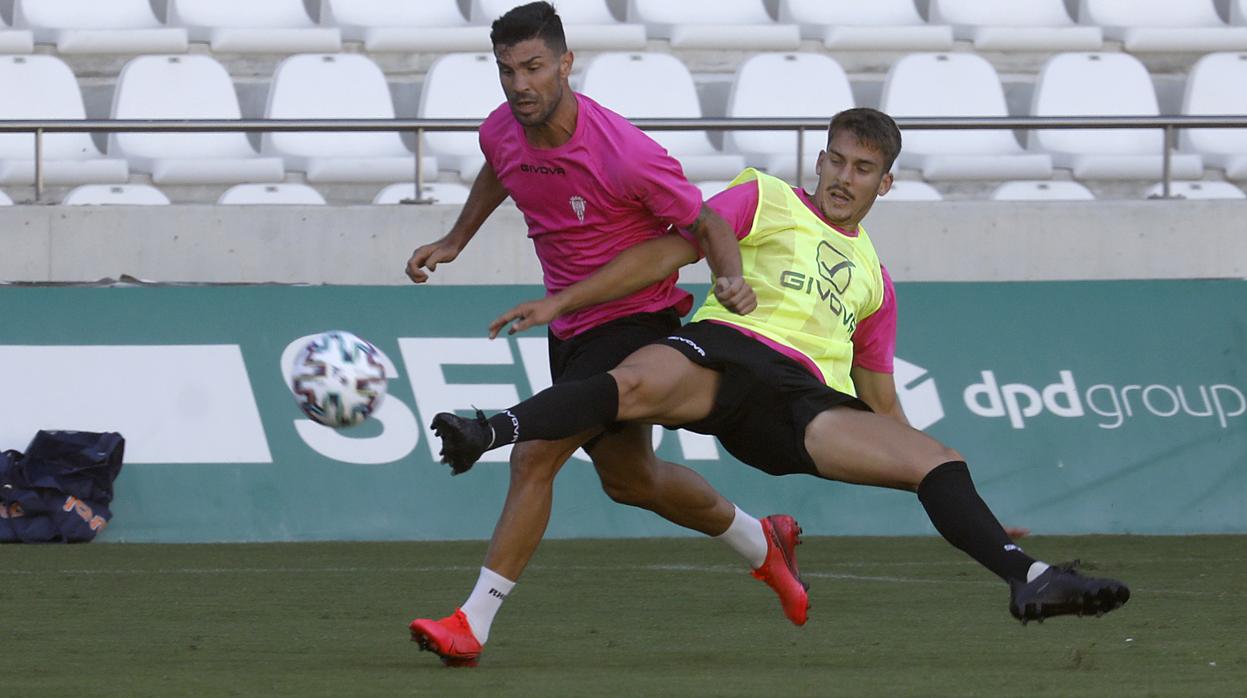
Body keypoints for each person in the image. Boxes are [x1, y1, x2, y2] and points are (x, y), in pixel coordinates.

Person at [432, 108, 1131, 645]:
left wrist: (964, 506)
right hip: (723, 355)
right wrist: (564, 302)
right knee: (637, 381)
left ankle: (1028, 577)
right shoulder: (763, 197)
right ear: (817, 158)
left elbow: (880, 399)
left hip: (799, 407)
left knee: (939, 460)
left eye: (860, 168)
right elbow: (668, 253)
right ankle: (485, 430)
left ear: (883, 183)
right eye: (833, 159)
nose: (840, 177)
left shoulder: (876, 284)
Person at [405, 2, 808, 668]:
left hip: (635, 319)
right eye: (506, 70)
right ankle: (762, 543)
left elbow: (705, 222)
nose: (520, 84)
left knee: (533, 457)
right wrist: (453, 239)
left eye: (533, 67)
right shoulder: (502, 130)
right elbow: (499, 167)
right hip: (568, 324)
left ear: (565, 63)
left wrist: (729, 278)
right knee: (630, 480)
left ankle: (470, 623)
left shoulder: (622, 151)